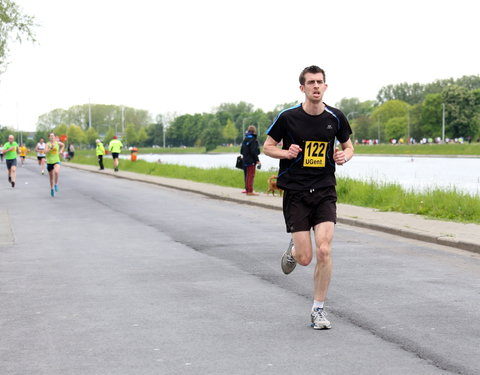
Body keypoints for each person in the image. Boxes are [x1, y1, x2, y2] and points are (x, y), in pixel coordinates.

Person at [263, 65, 354, 330]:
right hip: (296, 192)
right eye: (311, 82)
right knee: (306, 258)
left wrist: (344, 156)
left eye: (320, 82)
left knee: (324, 250)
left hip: (325, 190)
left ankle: (318, 310)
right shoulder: (288, 118)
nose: (316, 86)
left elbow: (348, 147)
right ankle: (294, 249)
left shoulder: (336, 117)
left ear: (326, 86)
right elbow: (267, 147)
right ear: (302, 88)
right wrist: (286, 153)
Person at [240, 125, 261, 196]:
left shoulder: (245, 139)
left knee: (248, 175)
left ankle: (247, 190)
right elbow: (253, 152)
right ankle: (250, 191)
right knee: (251, 175)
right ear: (254, 131)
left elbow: (241, 151)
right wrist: (257, 160)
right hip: (251, 160)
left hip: (245, 159)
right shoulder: (253, 140)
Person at [45, 132, 65, 197]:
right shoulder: (47, 144)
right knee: (51, 178)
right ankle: (52, 188)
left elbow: (63, 145)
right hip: (49, 162)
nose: (52, 137)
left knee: (56, 172)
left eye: (53, 136)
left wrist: (61, 151)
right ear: (49, 137)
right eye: (50, 136)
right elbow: (45, 152)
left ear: (55, 137)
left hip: (56, 161)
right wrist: (50, 148)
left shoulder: (57, 143)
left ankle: (56, 184)